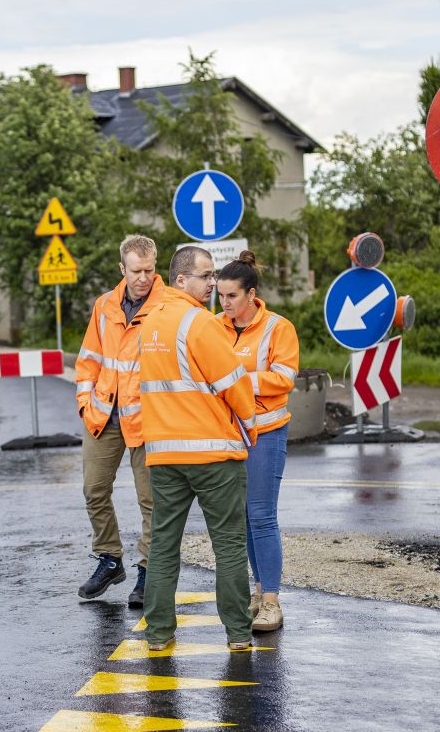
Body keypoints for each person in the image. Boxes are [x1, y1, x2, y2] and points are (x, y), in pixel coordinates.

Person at [139, 246, 258, 651]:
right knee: (227, 545)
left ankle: (157, 634)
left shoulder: (149, 325)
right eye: (206, 277)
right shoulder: (200, 323)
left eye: (213, 277)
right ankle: (239, 634)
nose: (212, 284)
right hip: (213, 456)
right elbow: (234, 385)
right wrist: (251, 427)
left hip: (164, 455)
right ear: (180, 280)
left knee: (163, 543)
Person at [75, 234, 166, 607]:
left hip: (149, 421)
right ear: (122, 269)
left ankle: (147, 572)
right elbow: (89, 359)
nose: (143, 277)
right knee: (94, 490)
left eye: (149, 270)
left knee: (152, 502)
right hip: (103, 414)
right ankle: (110, 559)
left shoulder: (168, 306)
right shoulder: (105, 306)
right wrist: (85, 401)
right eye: (136, 271)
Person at [216, 250, 299, 633]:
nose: (225, 303)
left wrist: (236, 379)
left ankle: (272, 601)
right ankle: (259, 590)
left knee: (262, 516)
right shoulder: (215, 326)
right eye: (220, 295)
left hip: (265, 433)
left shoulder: (278, 328)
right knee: (245, 519)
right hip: (228, 436)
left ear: (252, 294)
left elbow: (283, 378)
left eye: (232, 296)